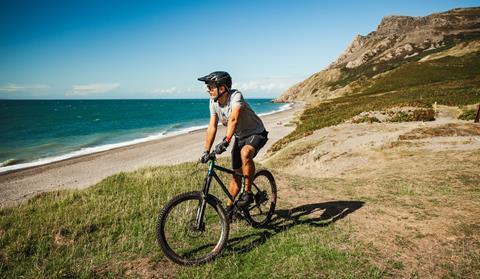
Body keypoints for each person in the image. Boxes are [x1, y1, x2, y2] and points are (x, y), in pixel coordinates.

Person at [198, 71, 268, 211]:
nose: (208, 90)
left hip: (256, 133)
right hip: (240, 137)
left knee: (245, 152)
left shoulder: (236, 96)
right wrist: (206, 150)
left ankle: (247, 193)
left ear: (222, 88)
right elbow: (212, 126)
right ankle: (229, 210)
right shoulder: (213, 102)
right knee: (236, 175)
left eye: (211, 87)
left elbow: (234, 118)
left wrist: (226, 140)